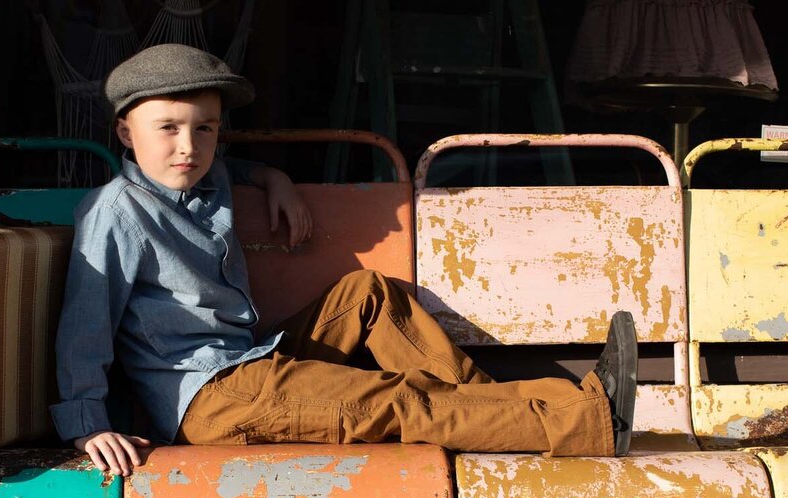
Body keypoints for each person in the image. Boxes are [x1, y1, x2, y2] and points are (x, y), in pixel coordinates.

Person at [52, 44, 637, 475]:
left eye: (205, 129)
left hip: (250, 363)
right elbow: (85, 322)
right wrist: (88, 427)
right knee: (395, 398)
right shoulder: (116, 212)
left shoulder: (204, 180)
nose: (189, 146)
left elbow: (236, 168)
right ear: (126, 134)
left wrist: (274, 177)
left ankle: (507, 421)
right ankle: (581, 422)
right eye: (168, 129)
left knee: (368, 295)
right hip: (209, 399)